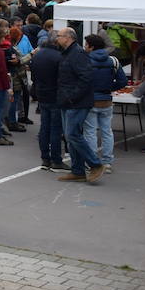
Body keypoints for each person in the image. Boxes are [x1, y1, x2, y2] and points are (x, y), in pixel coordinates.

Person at [57, 28, 106, 183]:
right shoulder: (68, 53)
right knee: (70, 136)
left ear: (68, 38)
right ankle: (77, 170)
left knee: (73, 134)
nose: (57, 38)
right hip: (67, 101)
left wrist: (73, 97)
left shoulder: (77, 54)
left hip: (76, 102)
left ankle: (95, 164)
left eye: (59, 36)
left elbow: (86, 77)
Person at [86, 33, 128, 173]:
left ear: (91, 47)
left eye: (86, 44)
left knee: (90, 132)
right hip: (106, 100)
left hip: (91, 100)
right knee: (107, 131)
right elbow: (123, 81)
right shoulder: (113, 60)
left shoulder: (85, 60)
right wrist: (110, 88)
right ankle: (107, 162)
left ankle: (93, 162)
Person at [31, 31, 67, 170]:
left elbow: (33, 75)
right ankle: (56, 159)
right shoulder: (59, 57)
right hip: (55, 95)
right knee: (55, 129)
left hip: (42, 93)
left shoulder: (39, 54)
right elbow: (62, 78)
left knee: (45, 127)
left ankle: (45, 158)